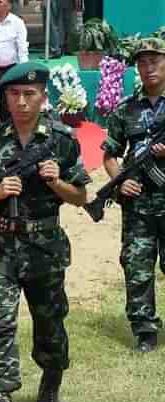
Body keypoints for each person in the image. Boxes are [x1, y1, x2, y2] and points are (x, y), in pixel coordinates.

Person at [0, 62, 90, 402]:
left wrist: (56, 182)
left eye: (29, 94)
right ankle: (0, 398)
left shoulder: (62, 140)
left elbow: (80, 197)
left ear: (44, 97)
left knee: (49, 320)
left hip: (45, 245)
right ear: (5, 97)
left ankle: (51, 380)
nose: (21, 102)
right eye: (14, 94)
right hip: (1, 244)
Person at [101, 38, 165, 354]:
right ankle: (144, 329)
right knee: (137, 266)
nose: (148, 67)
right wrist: (118, 183)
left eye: (154, 60)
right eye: (142, 62)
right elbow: (109, 154)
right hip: (138, 203)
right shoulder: (125, 109)